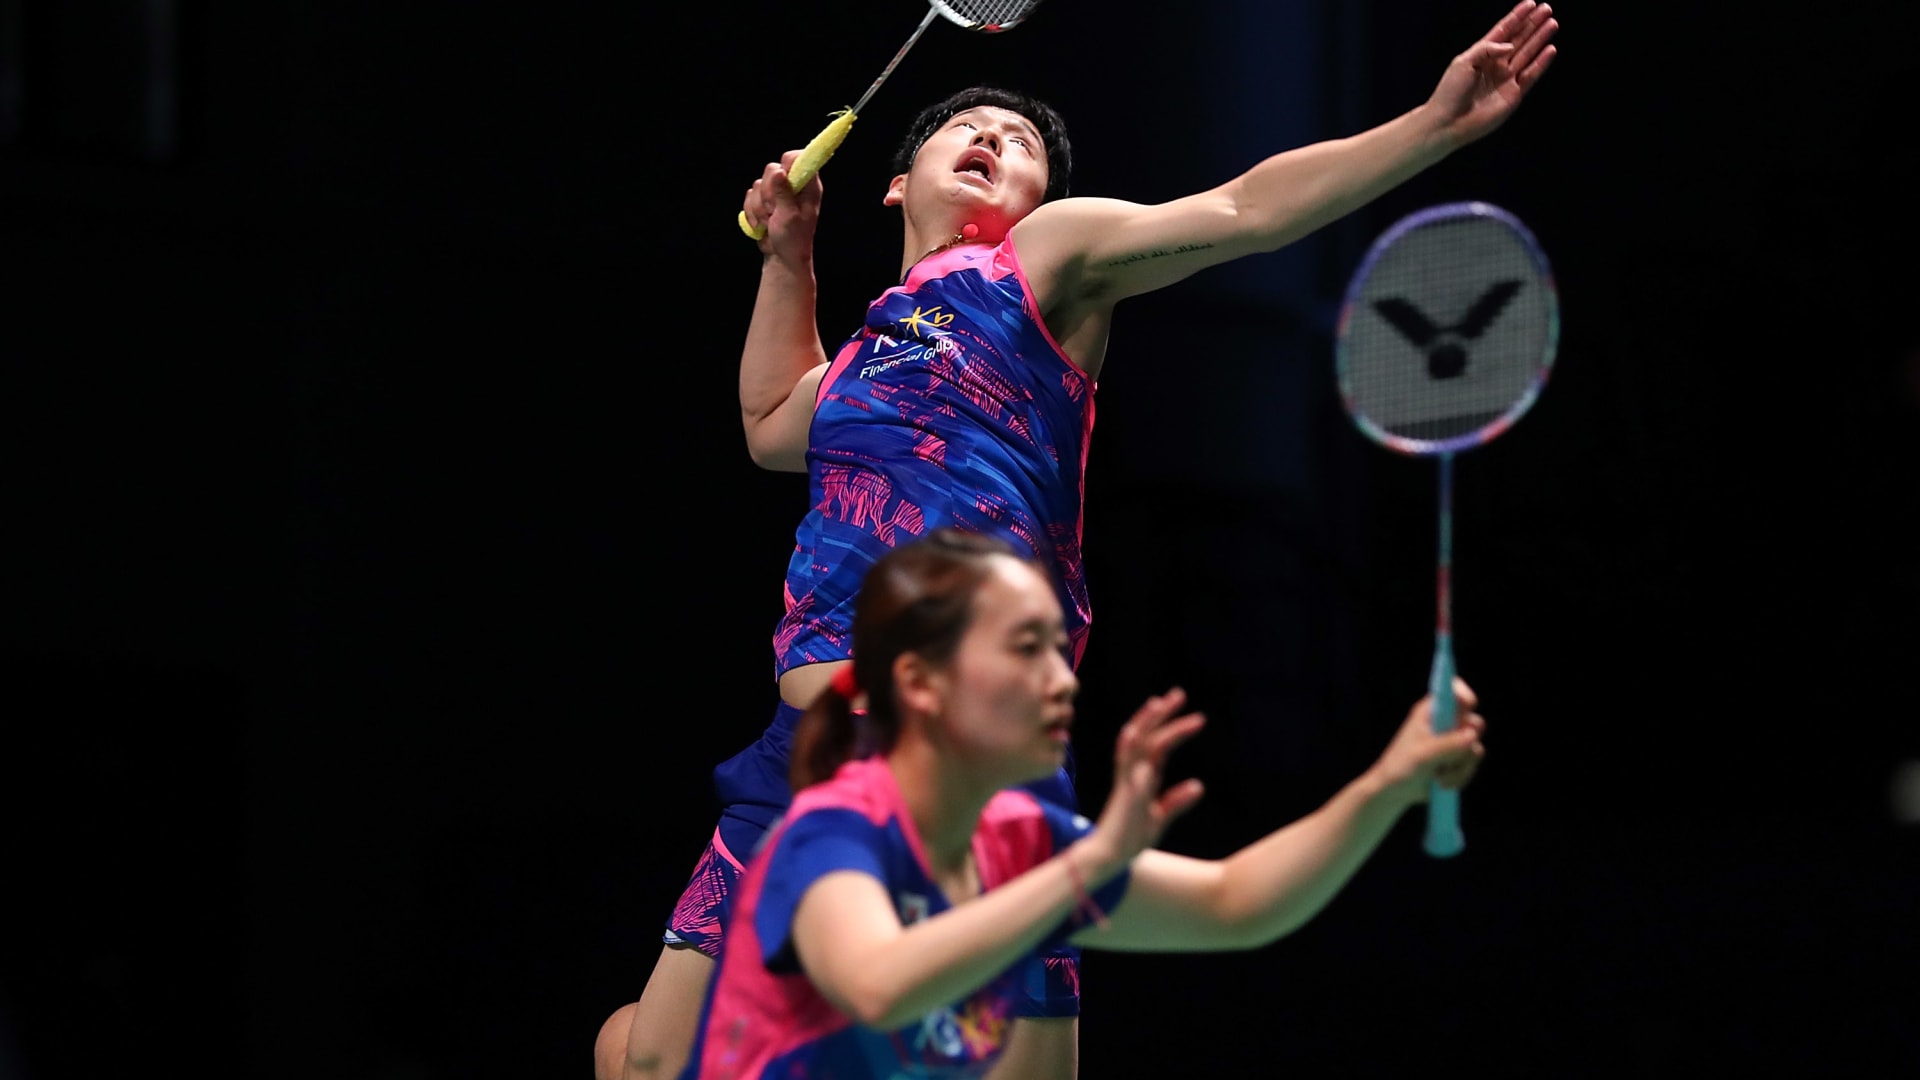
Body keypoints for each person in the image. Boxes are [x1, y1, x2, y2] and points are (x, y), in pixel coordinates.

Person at [596, 3, 1556, 1076]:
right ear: (897, 183)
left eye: (1023, 148)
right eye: (969, 128)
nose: (995, 139)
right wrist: (790, 252)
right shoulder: (859, 362)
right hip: (813, 752)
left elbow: (1242, 207)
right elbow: (773, 422)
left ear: (1039, 201)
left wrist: (1432, 126)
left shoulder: (1038, 263)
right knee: (638, 1056)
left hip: (974, 756)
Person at [679, 527, 1489, 1079]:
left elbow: (1235, 902)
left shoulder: (1014, 840)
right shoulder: (833, 832)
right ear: (921, 682)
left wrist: (1388, 785)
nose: (1062, 680)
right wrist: (1092, 862)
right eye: (1026, 649)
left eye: (1059, 649)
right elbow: (878, 984)